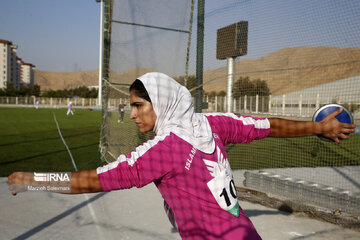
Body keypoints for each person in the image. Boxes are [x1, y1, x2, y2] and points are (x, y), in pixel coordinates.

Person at [7, 72, 355, 240]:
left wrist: (33, 182)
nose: (132, 114)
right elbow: (268, 125)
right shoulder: (212, 123)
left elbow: (93, 181)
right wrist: (317, 128)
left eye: (138, 105)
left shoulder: (162, 152)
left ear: (161, 103)